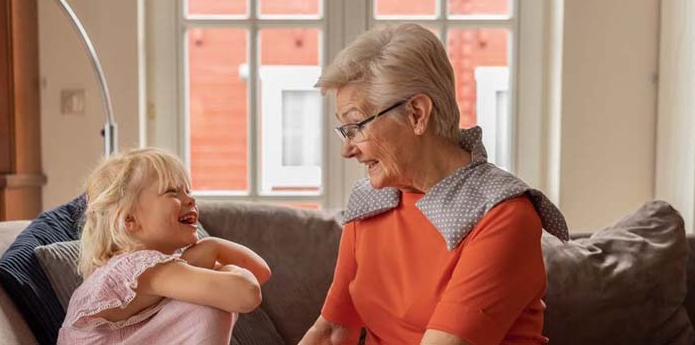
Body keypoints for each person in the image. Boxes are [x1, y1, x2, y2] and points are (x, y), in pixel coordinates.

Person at [299, 24, 570, 345]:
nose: (348, 149)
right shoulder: (370, 200)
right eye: (345, 131)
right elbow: (332, 330)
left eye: (357, 126)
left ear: (416, 114)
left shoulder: (503, 215)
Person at [58, 148, 272, 345]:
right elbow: (247, 294)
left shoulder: (162, 271)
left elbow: (260, 274)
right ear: (129, 219)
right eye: (172, 192)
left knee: (211, 295)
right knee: (212, 302)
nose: (190, 199)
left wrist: (211, 246)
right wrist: (217, 258)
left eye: (187, 190)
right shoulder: (137, 268)